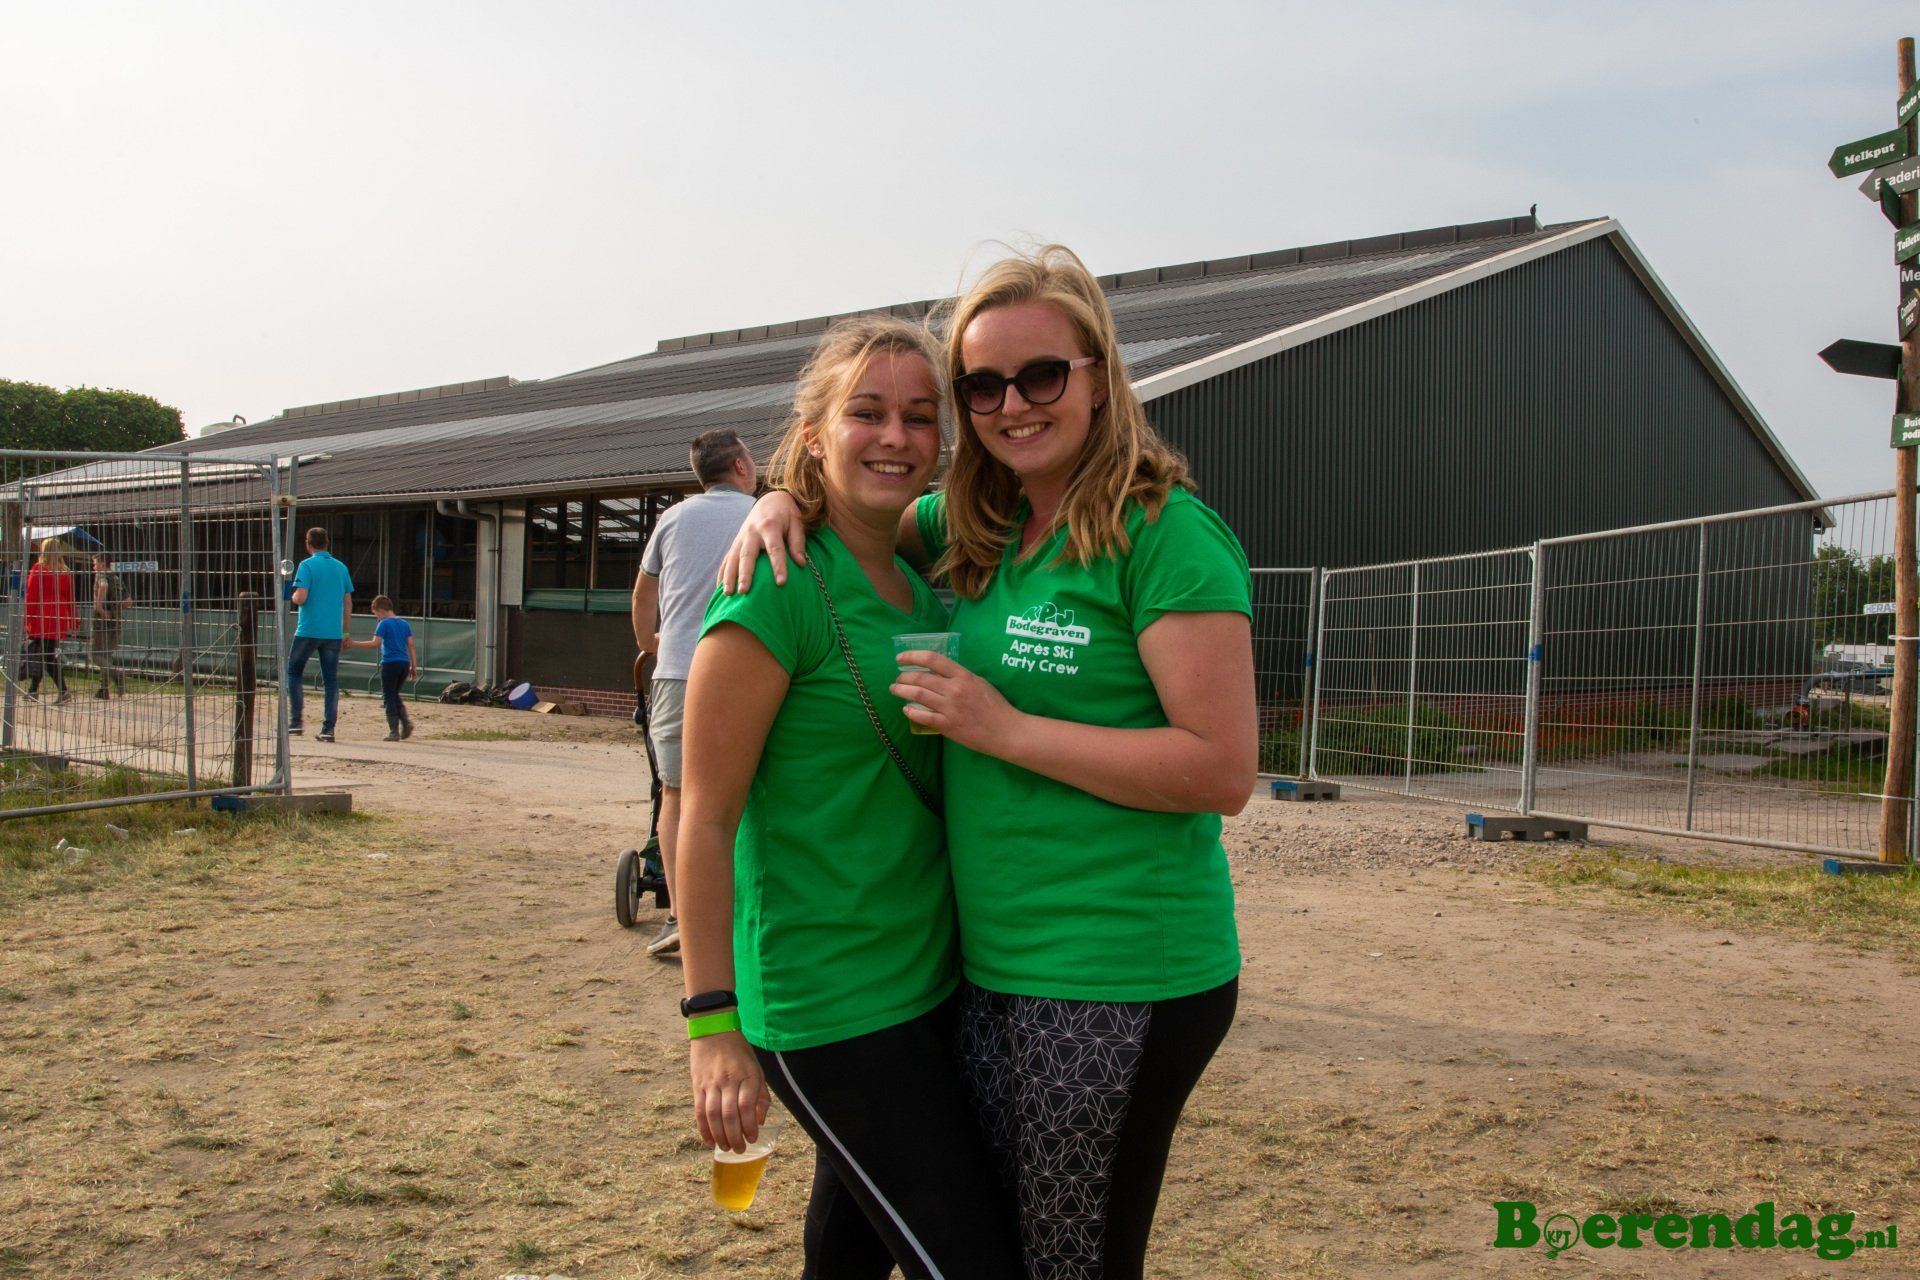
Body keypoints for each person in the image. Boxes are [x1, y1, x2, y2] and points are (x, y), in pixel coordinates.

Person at [721, 245, 1257, 1279]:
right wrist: (779, 495)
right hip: (983, 974)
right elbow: (862, 501)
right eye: (982, 385)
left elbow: (1222, 768)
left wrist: (1005, 728)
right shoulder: (981, 520)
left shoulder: (1164, 534)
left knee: (1065, 1263)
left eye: (1042, 375)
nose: (1013, 404)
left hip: (1112, 969)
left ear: (1098, 375)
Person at [678, 316, 1023, 1279]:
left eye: (918, 417)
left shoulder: (921, 581)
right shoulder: (773, 584)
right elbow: (703, 817)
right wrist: (712, 1025)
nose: (895, 437)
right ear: (816, 432)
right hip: (827, 1001)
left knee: (853, 1253)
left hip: (928, 981)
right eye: (866, 412)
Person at [628, 428, 758, 958]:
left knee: (677, 794)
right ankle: (743, 911)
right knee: (751, 792)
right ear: (742, 467)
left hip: (679, 669)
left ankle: (682, 915)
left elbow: (643, 596)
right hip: (750, 668)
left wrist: (651, 645)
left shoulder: (673, 518)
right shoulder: (764, 512)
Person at [286, 526, 353, 743]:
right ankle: (328, 729)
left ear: (308, 544)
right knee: (330, 680)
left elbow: (301, 597)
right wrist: (345, 631)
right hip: (333, 633)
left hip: (308, 629)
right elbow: (347, 603)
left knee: (294, 672)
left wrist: (292, 596)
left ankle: (296, 722)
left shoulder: (306, 565)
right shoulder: (341, 567)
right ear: (327, 542)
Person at [346, 595, 417, 741]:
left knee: (388, 696)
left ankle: (394, 731)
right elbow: (411, 644)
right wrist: (414, 665)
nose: (377, 617)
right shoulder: (404, 623)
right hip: (404, 663)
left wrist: (353, 644)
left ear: (382, 610)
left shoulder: (384, 624)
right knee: (394, 694)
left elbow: (375, 643)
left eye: (376, 614)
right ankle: (405, 722)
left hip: (390, 663)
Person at [23, 539, 77, 704]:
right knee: (44, 654)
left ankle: (63, 691)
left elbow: (31, 595)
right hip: (59, 617)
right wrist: (74, 621)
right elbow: (71, 599)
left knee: (46, 655)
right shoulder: (65, 572)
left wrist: (27, 619)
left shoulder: (38, 569)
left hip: (42, 617)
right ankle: (33, 690)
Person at [88, 552, 127, 699]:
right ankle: (103, 689)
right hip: (116, 621)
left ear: (102, 564)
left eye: (95, 564)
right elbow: (128, 601)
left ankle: (117, 674)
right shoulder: (117, 579)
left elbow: (103, 586)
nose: (94, 567)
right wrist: (114, 608)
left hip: (101, 622)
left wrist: (100, 607)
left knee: (95, 654)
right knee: (106, 656)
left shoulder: (101, 575)